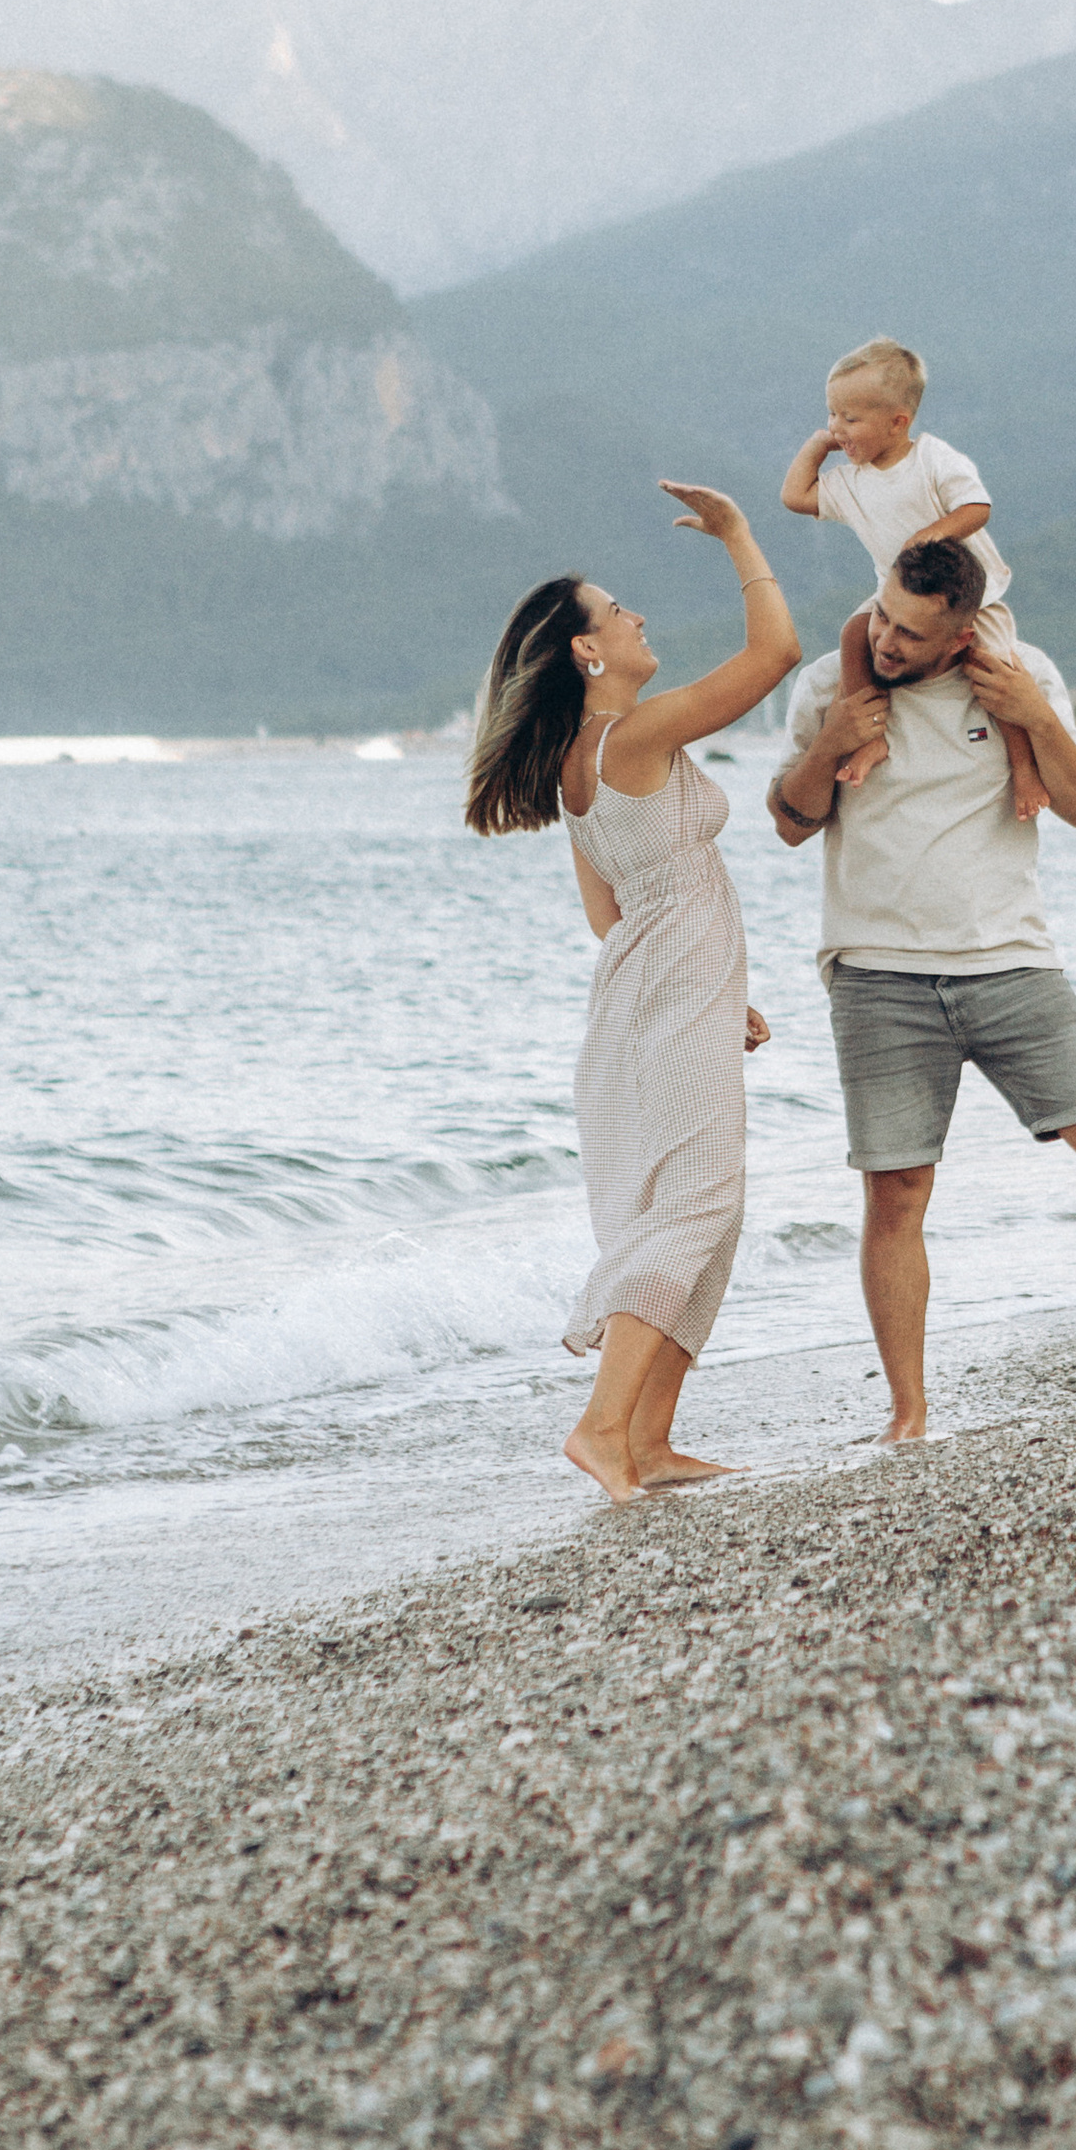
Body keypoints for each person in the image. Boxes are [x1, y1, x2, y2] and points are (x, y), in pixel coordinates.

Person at [767, 534, 1076, 1439]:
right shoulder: (830, 687)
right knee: (896, 1194)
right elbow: (791, 823)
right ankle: (909, 1415)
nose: (887, 642)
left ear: (962, 630)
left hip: (1011, 964)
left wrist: (1036, 715)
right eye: (882, 615)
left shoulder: (1020, 675)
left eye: (913, 634)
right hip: (878, 975)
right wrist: (832, 746)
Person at [465, 484, 801, 1504]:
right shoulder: (639, 736)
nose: (637, 616)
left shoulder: (579, 766)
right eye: (618, 611)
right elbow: (774, 657)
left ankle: (649, 1443)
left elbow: (610, 914)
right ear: (586, 652)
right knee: (696, 1204)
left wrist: (702, 985)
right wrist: (741, 534)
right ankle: (603, 1428)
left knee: (702, 1210)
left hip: (643, 1000)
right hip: (664, 999)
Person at [780, 334, 1047, 823]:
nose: (838, 428)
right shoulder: (849, 482)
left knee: (994, 667)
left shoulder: (932, 459)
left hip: (972, 597)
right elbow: (795, 496)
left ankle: (1024, 767)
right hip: (897, 600)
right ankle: (873, 736)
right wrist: (818, 446)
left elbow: (977, 507)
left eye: (850, 418)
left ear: (897, 421)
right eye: (831, 414)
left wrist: (932, 534)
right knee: (853, 635)